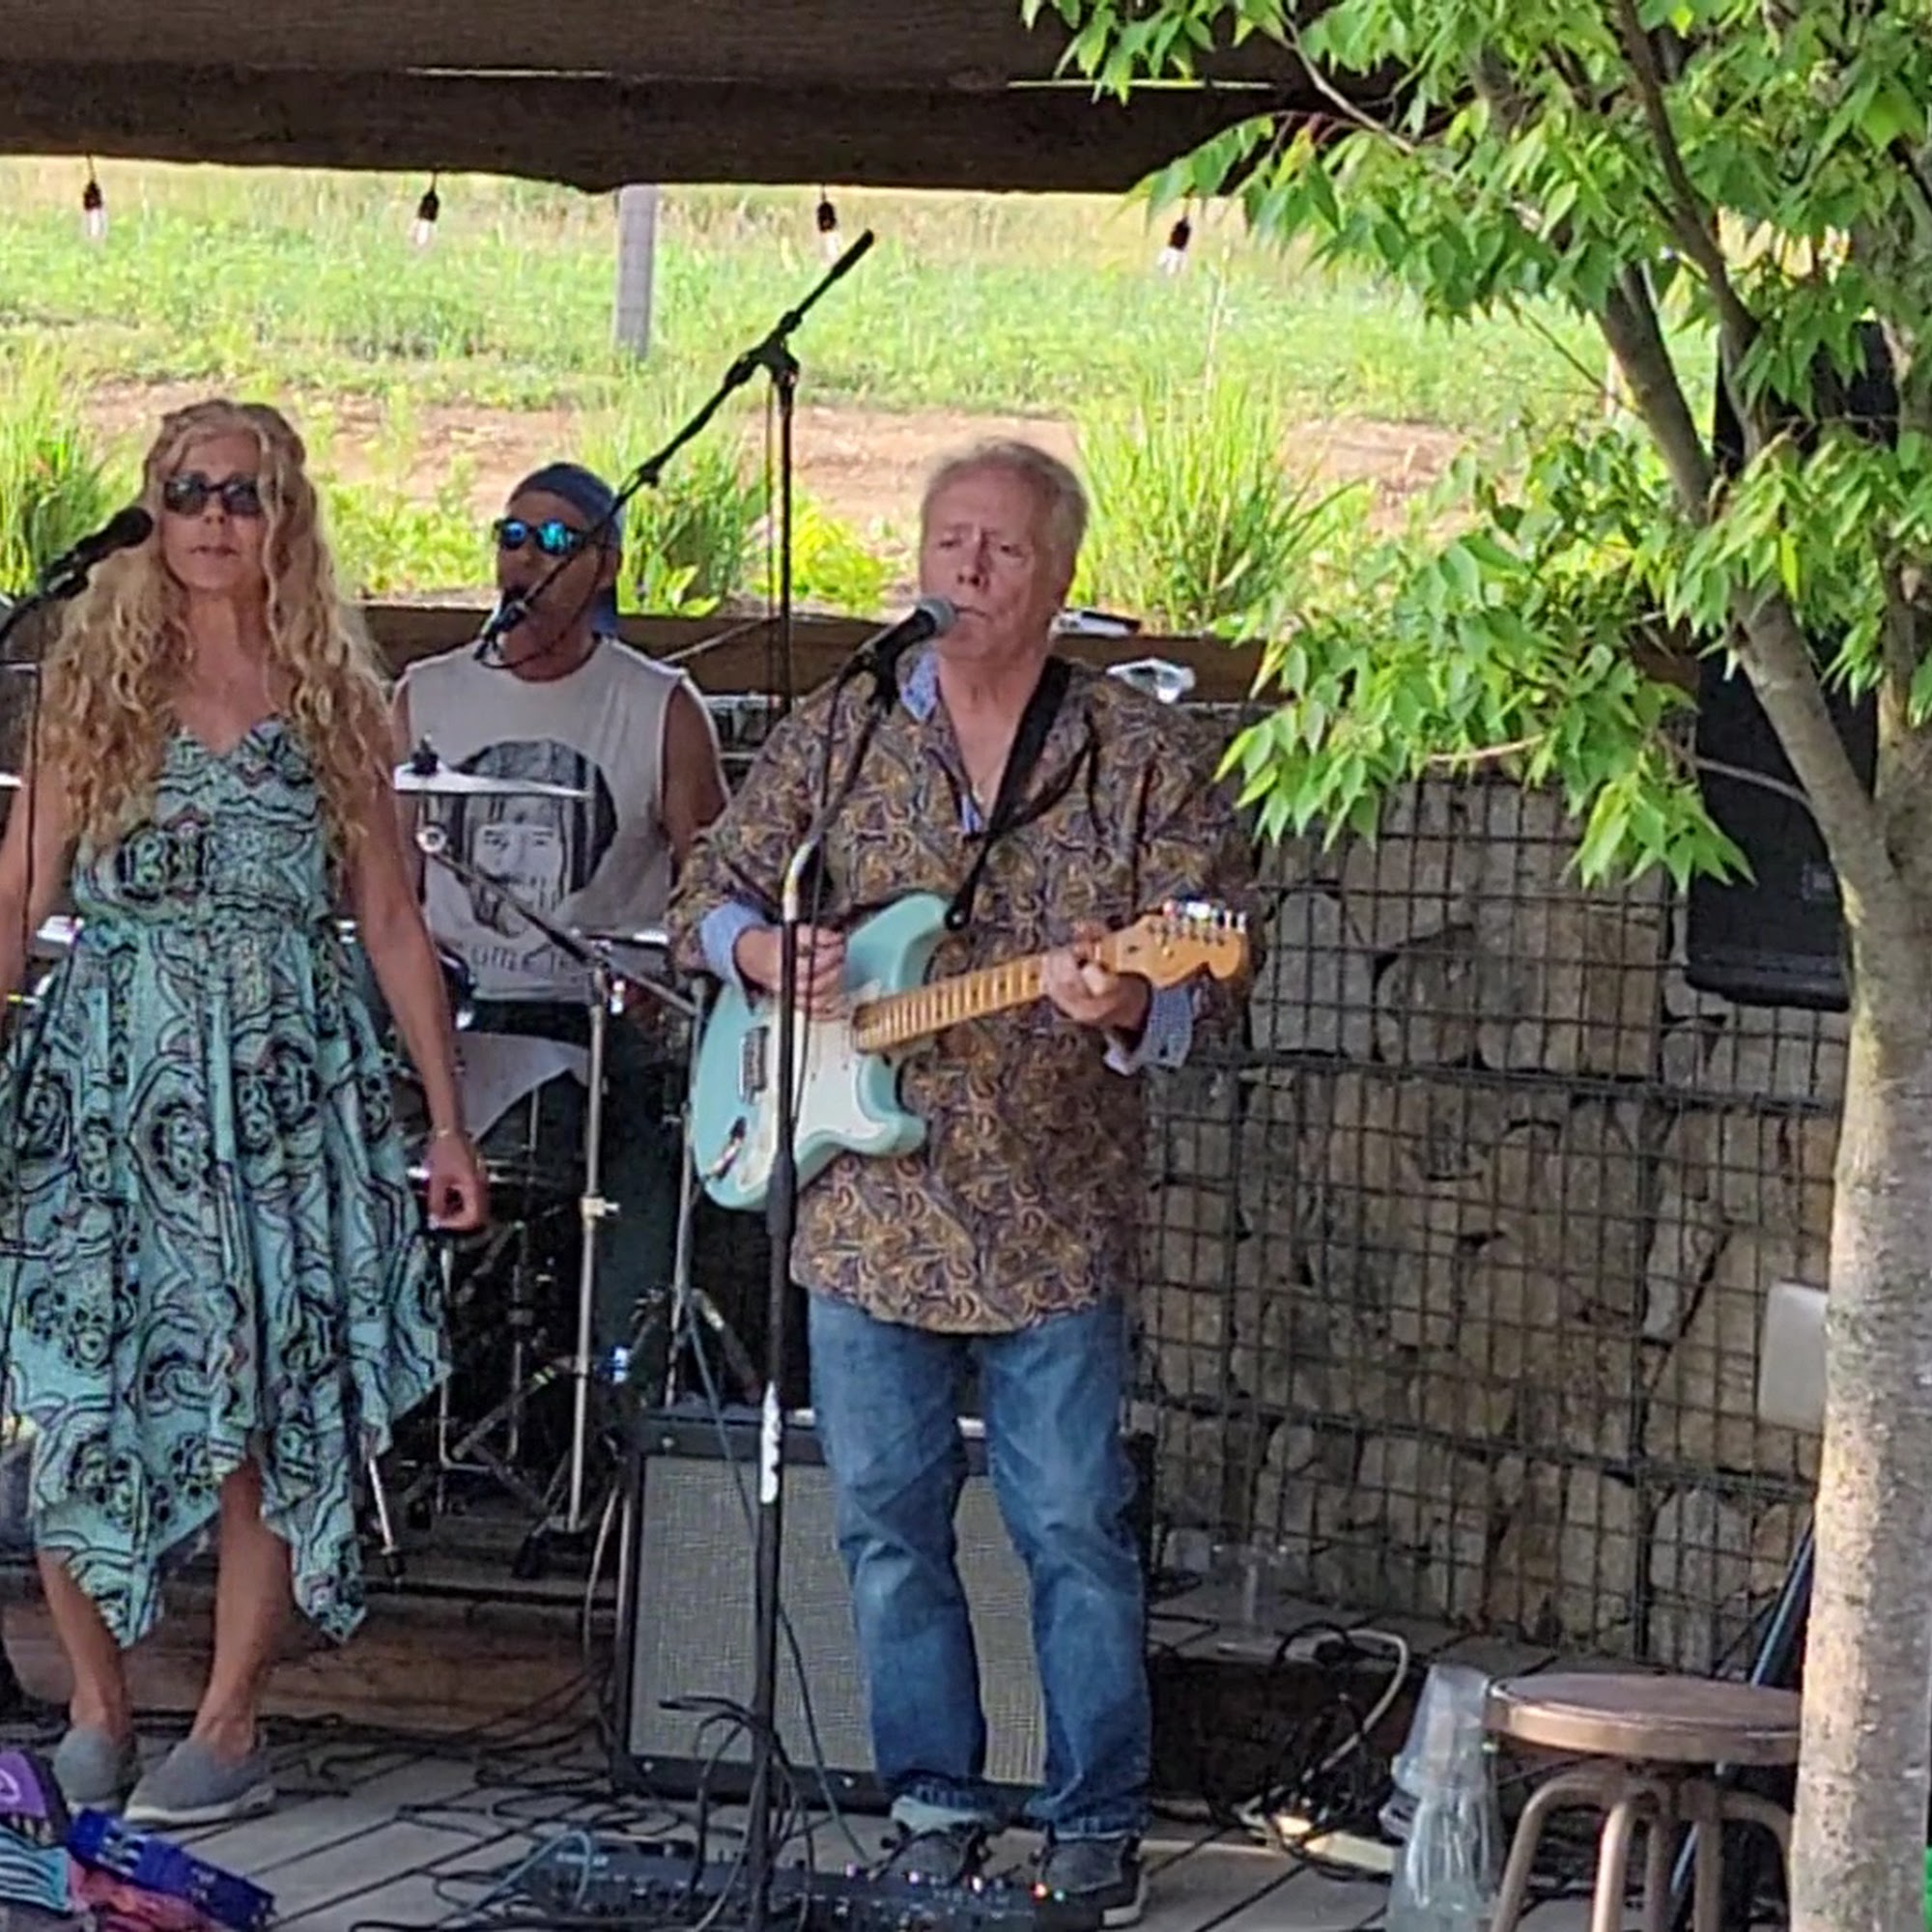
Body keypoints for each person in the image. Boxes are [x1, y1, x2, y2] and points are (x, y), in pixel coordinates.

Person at [668, 440, 1256, 1924]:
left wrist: (1130, 999)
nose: (968, 571)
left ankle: (1092, 1825)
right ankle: (931, 1804)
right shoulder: (849, 722)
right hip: (860, 1209)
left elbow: (1216, 962)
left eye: (999, 549)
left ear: (1058, 578)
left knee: (1067, 1524)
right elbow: (709, 885)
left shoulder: (1134, 754)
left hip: (1051, 1207)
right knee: (884, 1520)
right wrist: (760, 950)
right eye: (948, 543)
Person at [0, 400, 486, 1827]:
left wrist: (444, 1124)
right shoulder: (92, 681)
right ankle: (96, 1711)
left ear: (288, 519)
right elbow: (19, 896)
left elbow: (390, 918)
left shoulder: (333, 692)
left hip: (282, 1081)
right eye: (189, 490)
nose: (216, 517)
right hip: (107, 1078)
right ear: (152, 509)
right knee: (79, 1392)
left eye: (247, 494)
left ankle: (227, 1720)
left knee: (269, 1407)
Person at [393, 464, 728, 1392]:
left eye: (555, 542)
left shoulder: (659, 705)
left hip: (594, 1023)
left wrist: (666, 989)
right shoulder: (425, 695)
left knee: (645, 1172)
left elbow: (715, 892)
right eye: (511, 536)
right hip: (452, 1020)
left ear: (605, 565)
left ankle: (618, 1412)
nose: (526, 560)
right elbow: (383, 890)